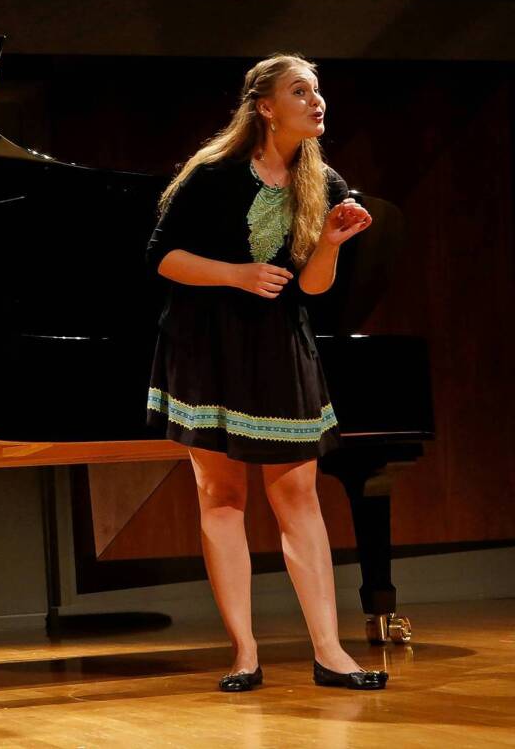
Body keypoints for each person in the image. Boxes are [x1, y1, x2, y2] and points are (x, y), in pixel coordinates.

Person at [145, 54, 388, 692]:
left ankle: (331, 653)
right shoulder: (214, 174)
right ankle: (244, 654)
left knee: (299, 497)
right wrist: (236, 275)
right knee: (221, 497)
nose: (317, 101)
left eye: (318, 91)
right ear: (265, 107)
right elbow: (162, 258)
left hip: (279, 343)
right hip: (208, 344)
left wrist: (331, 242)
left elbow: (311, 288)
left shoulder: (324, 181)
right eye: (300, 91)